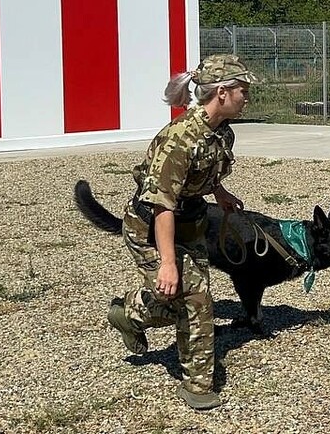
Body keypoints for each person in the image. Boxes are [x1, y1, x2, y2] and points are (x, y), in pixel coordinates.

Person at [106, 54, 261, 410]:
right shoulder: (177, 140)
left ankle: (129, 314)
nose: (247, 97)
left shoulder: (222, 132)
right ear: (222, 93)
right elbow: (162, 204)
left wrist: (219, 193)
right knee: (194, 298)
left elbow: (206, 172)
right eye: (243, 90)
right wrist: (168, 263)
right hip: (151, 227)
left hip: (189, 222)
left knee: (184, 298)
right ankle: (198, 386)